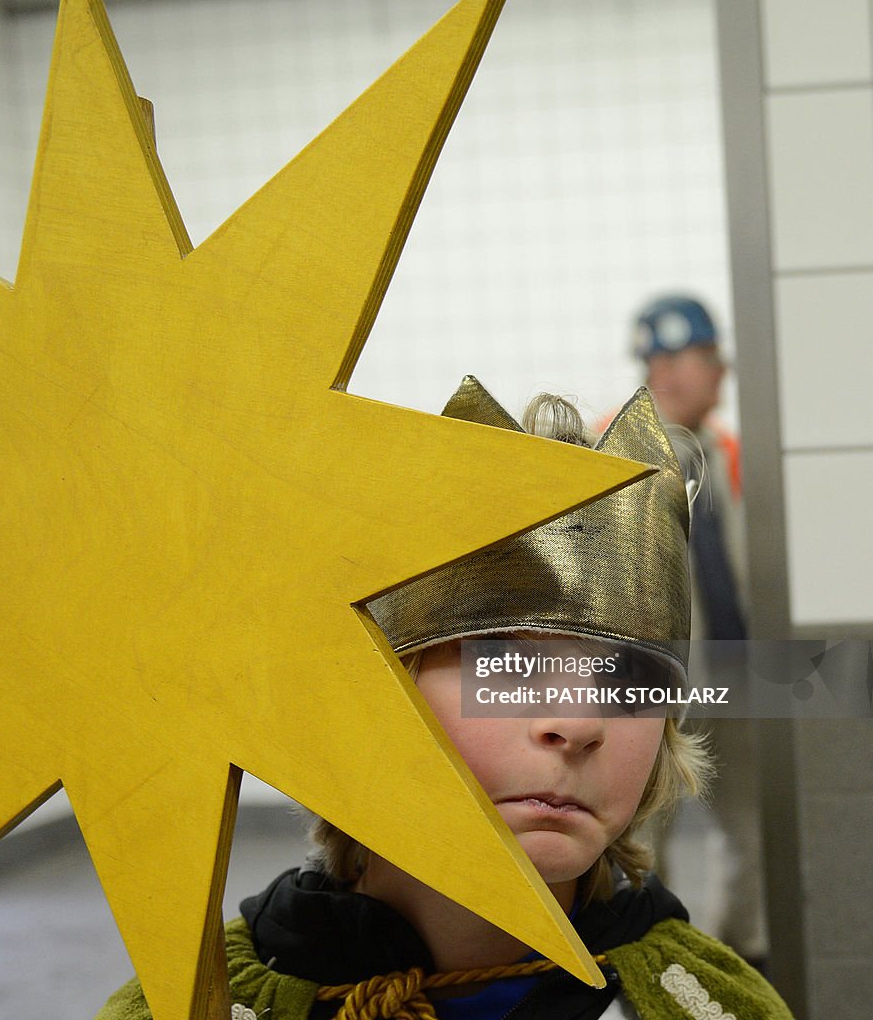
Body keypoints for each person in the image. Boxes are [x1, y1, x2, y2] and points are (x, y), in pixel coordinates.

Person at [96, 380, 792, 1020]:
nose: (578, 723)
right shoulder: (198, 1003)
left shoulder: (710, 1003)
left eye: (623, 680)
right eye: (510, 667)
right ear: (375, 694)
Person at [632, 295, 768, 966]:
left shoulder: (733, 454)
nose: (667, 372)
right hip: (650, 686)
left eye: (681, 357)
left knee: (751, 826)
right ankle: (648, 965)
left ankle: (740, 958)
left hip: (736, 680)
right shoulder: (620, 450)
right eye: (654, 359)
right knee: (641, 836)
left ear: (718, 368)